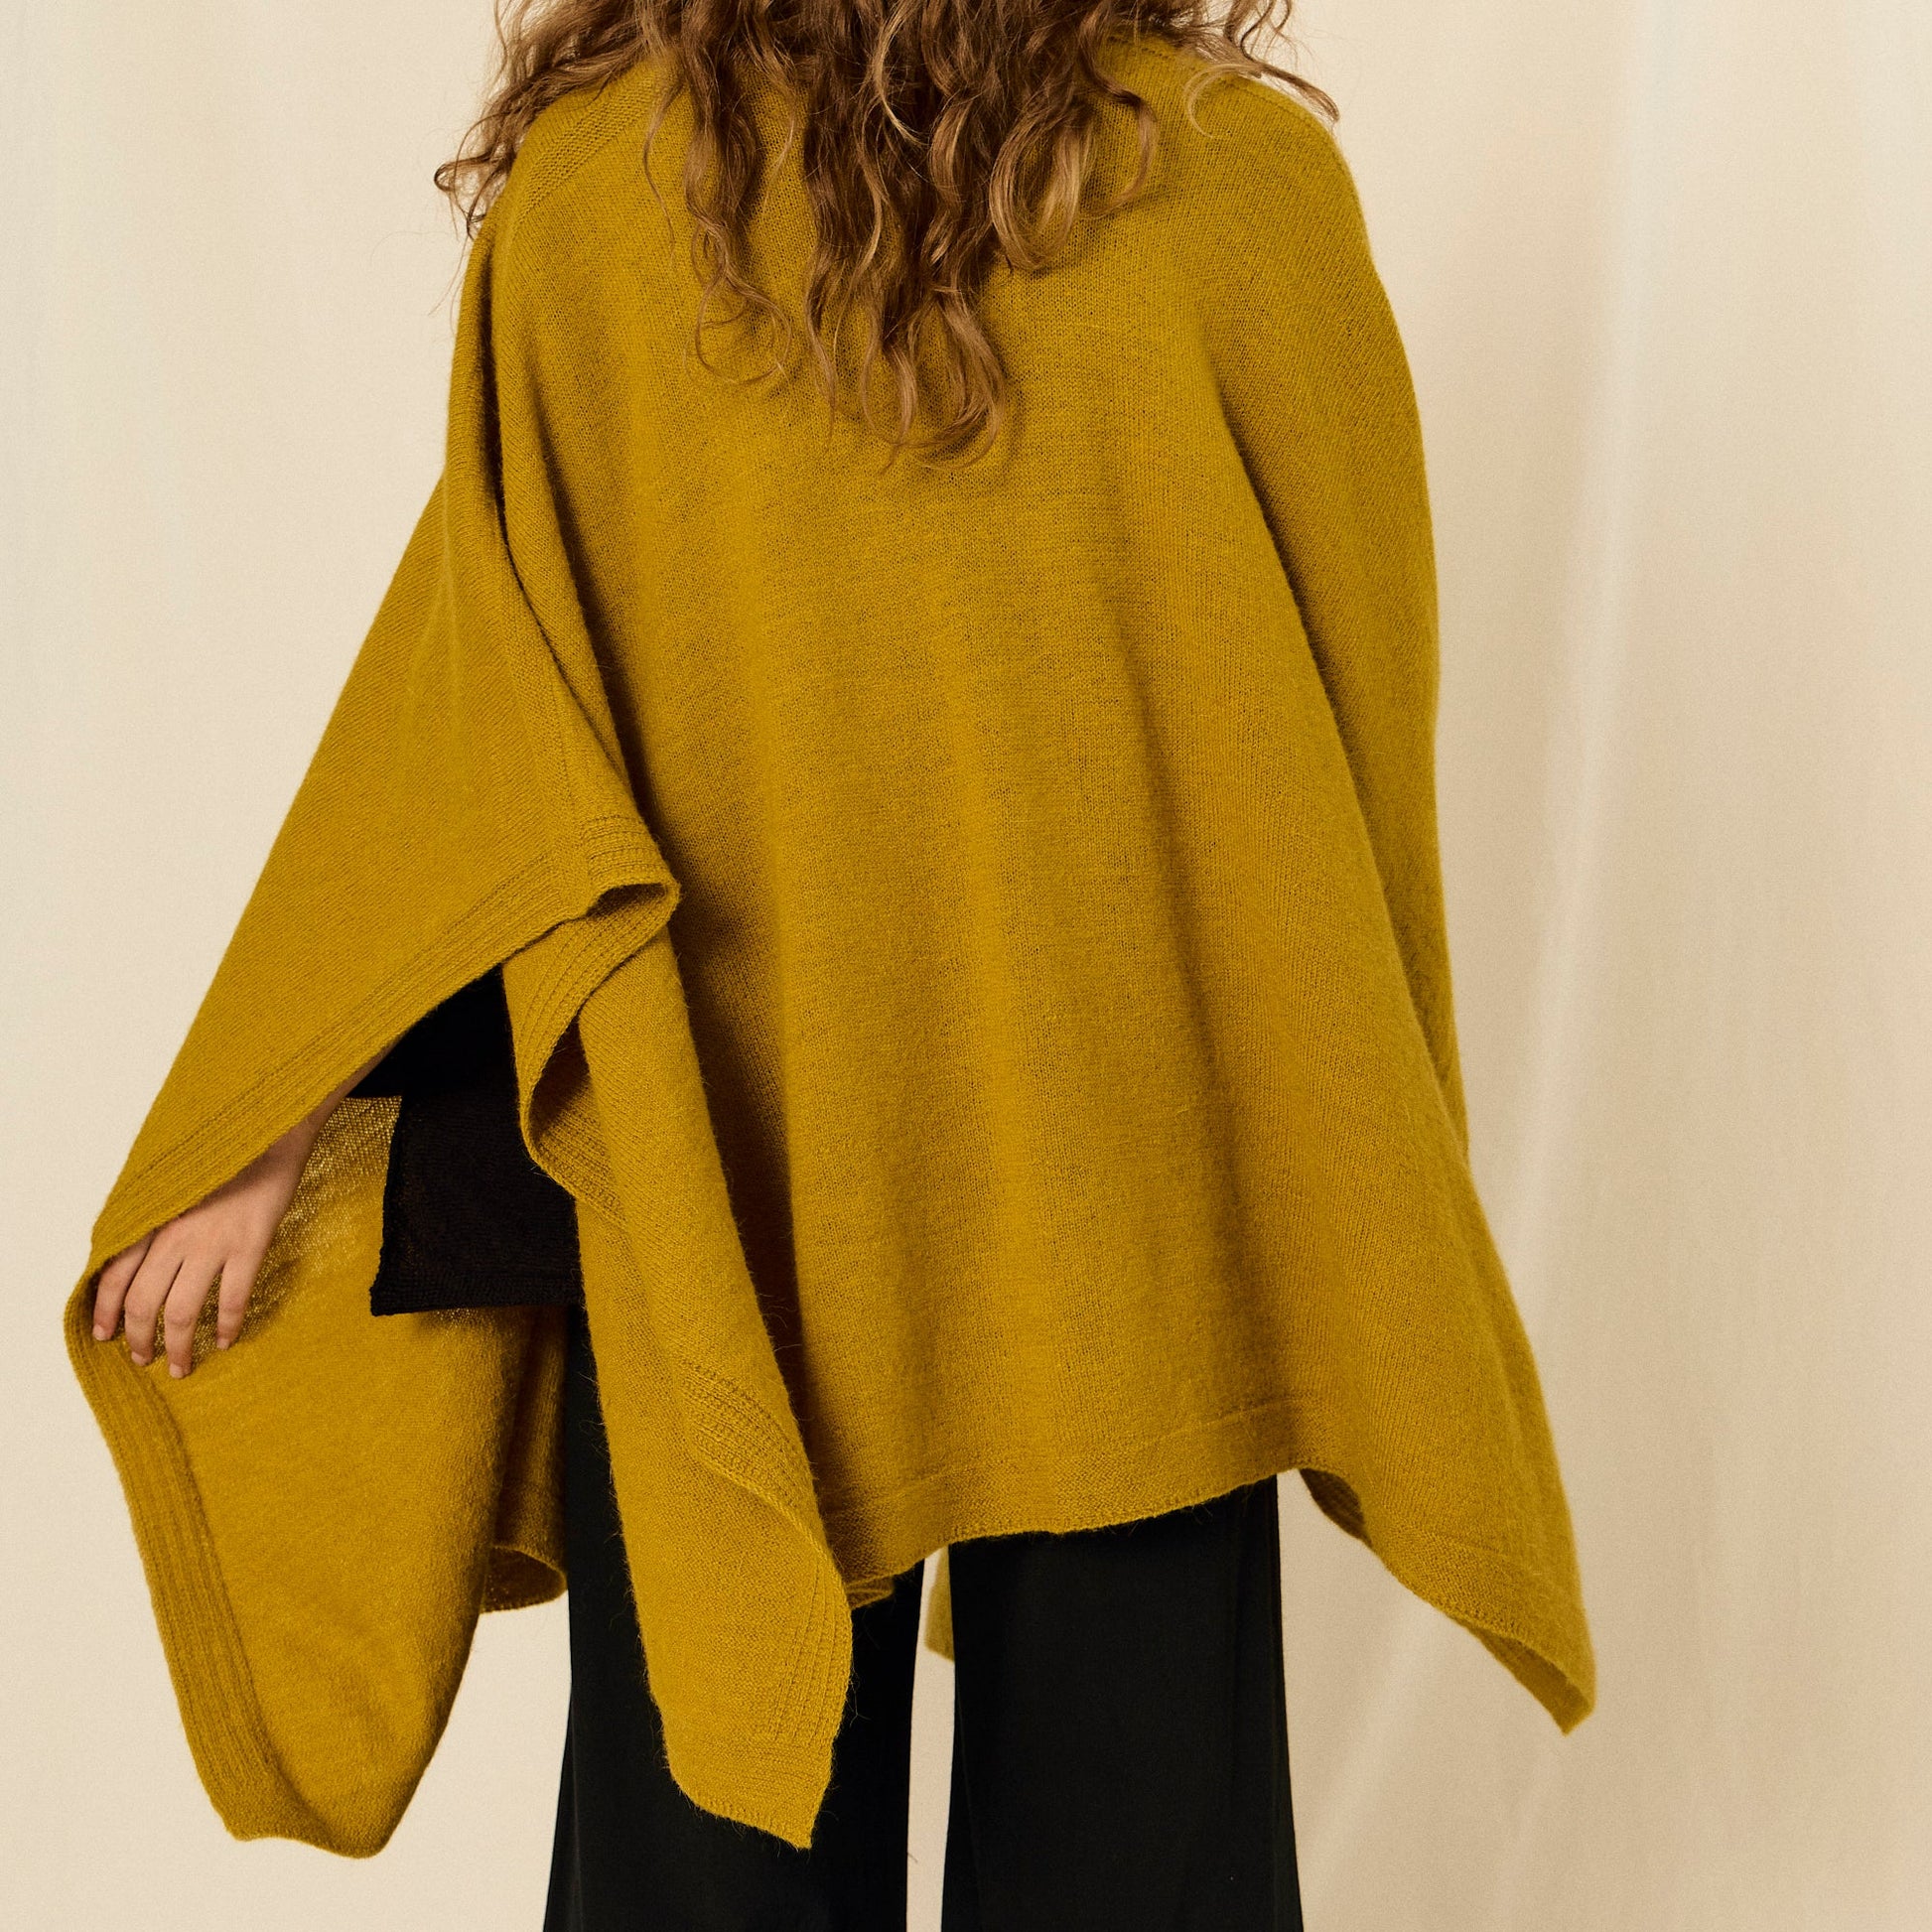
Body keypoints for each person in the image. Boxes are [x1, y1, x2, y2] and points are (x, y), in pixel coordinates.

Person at [72, 2, 1595, 1926]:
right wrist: (1339, 1203)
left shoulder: (607, 196)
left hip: (740, 1202)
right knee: (1130, 1873)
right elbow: (1348, 801)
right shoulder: (1228, 186)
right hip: (1117, 1221)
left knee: (710, 1872)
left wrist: (300, 1111)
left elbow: (488, 741)